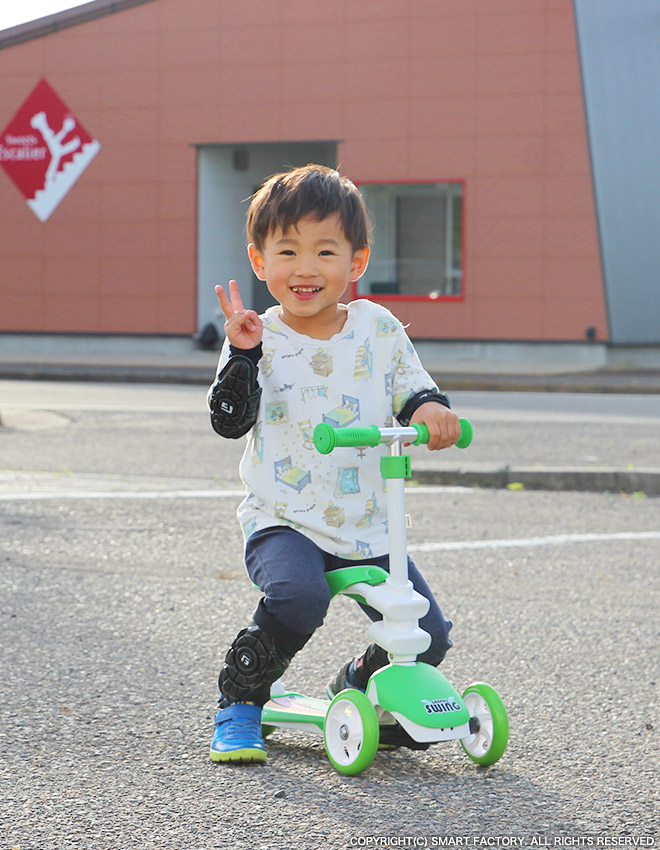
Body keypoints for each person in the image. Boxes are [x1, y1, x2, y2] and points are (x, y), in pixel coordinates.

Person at [207, 164, 462, 763]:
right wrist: (242, 357)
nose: (306, 268)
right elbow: (227, 421)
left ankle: (358, 683)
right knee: (299, 597)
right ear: (259, 259)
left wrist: (431, 411)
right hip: (284, 517)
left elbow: (414, 390)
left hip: (367, 522)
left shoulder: (377, 328)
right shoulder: (256, 334)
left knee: (426, 635)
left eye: (326, 251)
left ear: (356, 262)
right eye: (287, 250)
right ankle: (241, 700)